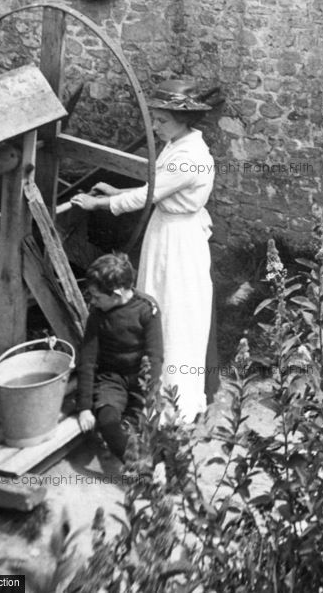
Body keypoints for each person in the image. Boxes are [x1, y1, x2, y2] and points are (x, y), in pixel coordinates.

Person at [72, 80, 215, 422]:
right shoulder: (177, 143)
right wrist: (114, 188)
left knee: (174, 312)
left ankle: (172, 404)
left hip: (178, 242)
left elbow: (146, 197)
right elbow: (156, 187)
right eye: (156, 118)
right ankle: (148, 388)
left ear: (184, 119)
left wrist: (99, 203)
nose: (155, 126)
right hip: (166, 230)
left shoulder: (191, 157)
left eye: (162, 120)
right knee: (157, 301)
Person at [76, 252, 163, 460]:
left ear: (116, 294)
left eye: (97, 297)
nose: (93, 302)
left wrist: (149, 392)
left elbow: (155, 356)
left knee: (146, 426)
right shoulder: (98, 315)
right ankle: (137, 466)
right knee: (107, 422)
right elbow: (87, 361)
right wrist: (85, 408)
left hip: (140, 377)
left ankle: (157, 465)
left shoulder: (147, 310)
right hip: (112, 379)